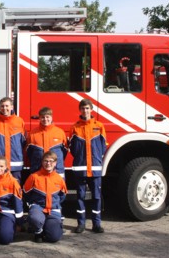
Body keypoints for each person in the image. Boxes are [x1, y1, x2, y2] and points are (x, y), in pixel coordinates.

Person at [69, 98, 107, 234]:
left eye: (87, 108)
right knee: (80, 197)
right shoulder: (75, 127)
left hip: (95, 168)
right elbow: (72, 149)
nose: (85, 111)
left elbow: (103, 147)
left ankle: (97, 224)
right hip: (80, 168)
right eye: (83, 108)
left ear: (91, 110)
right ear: (80, 110)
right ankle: (81, 224)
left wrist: (96, 159)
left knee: (96, 197)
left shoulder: (99, 126)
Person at [23, 151, 67, 243]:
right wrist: (33, 205)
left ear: (55, 163)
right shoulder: (34, 177)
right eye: (46, 161)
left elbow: (62, 196)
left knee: (54, 238)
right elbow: (26, 193)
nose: (48, 163)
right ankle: (38, 232)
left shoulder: (59, 178)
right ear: (42, 162)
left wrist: (55, 205)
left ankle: (48, 226)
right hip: (38, 207)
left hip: (53, 209)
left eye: (51, 161)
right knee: (35, 218)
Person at [0, 97, 26, 183]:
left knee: (15, 187)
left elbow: (23, 142)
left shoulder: (19, 122)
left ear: (12, 107)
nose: (5, 108)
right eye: (2, 106)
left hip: (15, 163)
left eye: (7, 106)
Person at [26, 106, 68, 178]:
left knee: (58, 189)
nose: (45, 119)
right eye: (42, 117)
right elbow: (29, 152)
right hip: (37, 169)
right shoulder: (32, 134)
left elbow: (65, 150)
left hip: (57, 170)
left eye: (47, 117)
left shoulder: (60, 132)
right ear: (39, 118)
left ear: (51, 117)